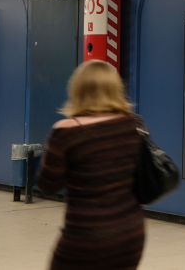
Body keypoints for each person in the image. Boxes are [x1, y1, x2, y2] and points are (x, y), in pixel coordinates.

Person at [37, 61, 145, 270]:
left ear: (77, 90)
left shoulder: (65, 132)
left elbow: (47, 186)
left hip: (87, 236)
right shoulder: (134, 125)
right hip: (131, 232)